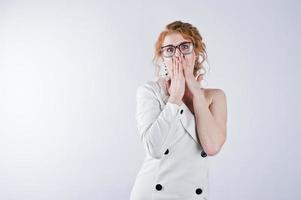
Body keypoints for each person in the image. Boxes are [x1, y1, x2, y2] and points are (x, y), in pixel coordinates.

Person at [130, 20, 227, 200]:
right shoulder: (150, 92)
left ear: (196, 52)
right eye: (169, 50)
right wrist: (174, 99)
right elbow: (154, 149)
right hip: (152, 194)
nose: (177, 56)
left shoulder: (216, 97)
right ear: (162, 58)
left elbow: (212, 147)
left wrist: (196, 94)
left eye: (184, 47)